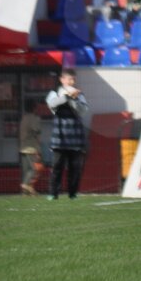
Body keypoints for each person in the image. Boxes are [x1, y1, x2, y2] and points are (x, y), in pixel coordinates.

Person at [46, 69, 88, 200]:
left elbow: (83, 111)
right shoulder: (54, 93)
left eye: (73, 80)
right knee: (57, 166)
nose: (71, 82)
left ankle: (73, 193)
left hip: (75, 137)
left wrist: (73, 99)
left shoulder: (80, 96)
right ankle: (53, 193)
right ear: (62, 79)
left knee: (75, 168)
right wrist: (66, 96)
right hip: (59, 138)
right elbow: (52, 104)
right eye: (68, 79)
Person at [18, 104, 44, 196]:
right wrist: (39, 149)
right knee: (34, 169)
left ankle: (26, 192)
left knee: (26, 170)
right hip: (31, 147)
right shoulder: (34, 118)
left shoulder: (23, 118)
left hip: (22, 147)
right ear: (34, 108)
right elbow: (37, 132)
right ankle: (25, 184)